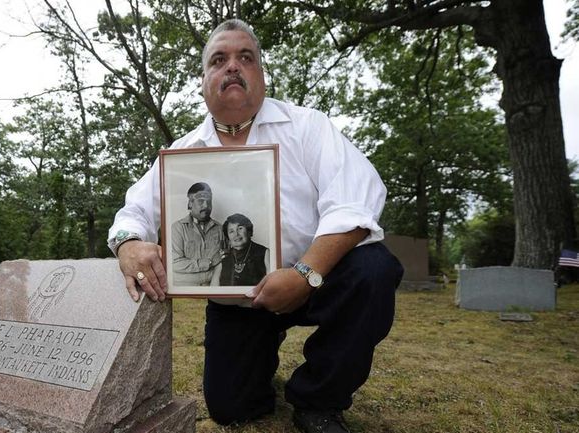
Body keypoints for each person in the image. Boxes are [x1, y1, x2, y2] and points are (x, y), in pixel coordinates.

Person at [107, 19, 403, 433]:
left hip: (317, 280)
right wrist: (128, 246)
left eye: (245, 58)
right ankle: (261, 360)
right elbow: (131, 215)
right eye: (219, 59)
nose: (233, 67)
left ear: (261, 74)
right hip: (239, 302)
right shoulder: (182, 154)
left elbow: (356, 204)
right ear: (204, 80)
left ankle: (319, 399)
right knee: (231, 408)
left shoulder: (308, 127)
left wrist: (305, 274)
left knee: (374, 269)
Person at [170, 182, 224, 286]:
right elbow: (174, 263)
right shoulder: (177, 228)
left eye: (209, 202)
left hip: (215, 289)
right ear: (190, 203)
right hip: (186, 292)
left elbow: (225, 260)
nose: (206, 206)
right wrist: (209, 262)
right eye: (201, 201)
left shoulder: (220, 229)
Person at [212, 213, 269, 286]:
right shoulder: (223, 257)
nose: (236, 234)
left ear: (249, 231)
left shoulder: (264, 253)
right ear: (228, 238)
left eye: (240, 228)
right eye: (231, 231)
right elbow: (214, 289)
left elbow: (272, 286)